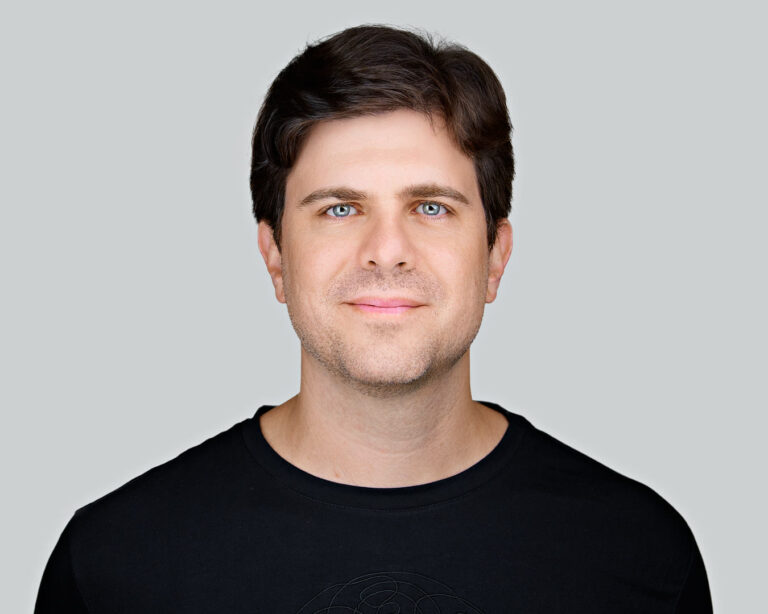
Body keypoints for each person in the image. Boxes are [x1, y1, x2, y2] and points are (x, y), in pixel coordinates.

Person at [34, 24, 713, 613]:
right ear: (275, 255)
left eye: (431, 207)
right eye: (339, 208)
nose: (386, 250)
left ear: (495, 256)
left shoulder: (641, 555)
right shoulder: (116, 566)